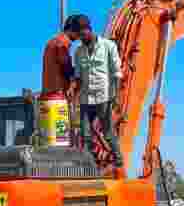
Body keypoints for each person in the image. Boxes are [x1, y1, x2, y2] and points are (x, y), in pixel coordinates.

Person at [71, 14, 124, 168]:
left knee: (107, 133)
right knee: (85, 134)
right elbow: (78, 77)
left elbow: (116, 72)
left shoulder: (108, 46)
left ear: (88, 29)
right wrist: (73, 94)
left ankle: (118, 159)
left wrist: (116, 96)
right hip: (86, 99)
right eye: (79, 36)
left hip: (104, 97)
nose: (81, 38)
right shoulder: (79, 52)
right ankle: (89, 163)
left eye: (82, 35)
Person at [41, 16, 82, 145]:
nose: (79, 37)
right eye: (78, 33)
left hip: (48, 97)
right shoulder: (62, 43)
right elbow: (65, 66)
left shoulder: (52, 42)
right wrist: (76, 78)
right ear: (72, 30)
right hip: (57, 98)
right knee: (60, 144)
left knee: (52, 142)